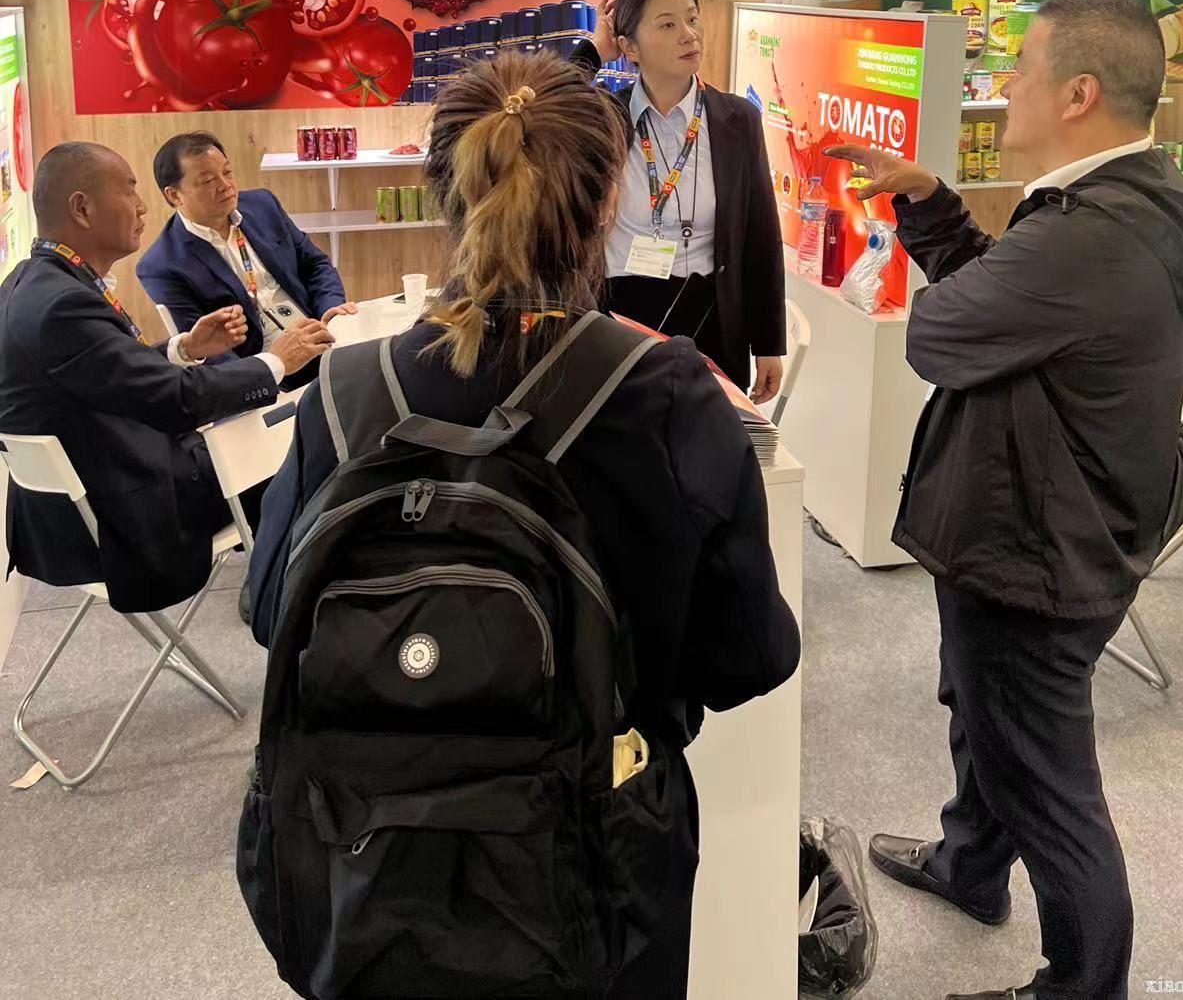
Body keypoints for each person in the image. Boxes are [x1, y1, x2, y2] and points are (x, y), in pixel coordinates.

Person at [248, 50, 800, 999]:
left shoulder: (341, 391)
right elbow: (750, 658)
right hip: (594, 859)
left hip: (368, 864)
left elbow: (271, 616)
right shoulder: (666, 394)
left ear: (443, 194)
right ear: (608, 201)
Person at [826, 0, 1183, 1000]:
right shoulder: (1111, 205)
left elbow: (939, 334)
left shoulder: (1090, 235)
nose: (1006, 89)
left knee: (1047, 786)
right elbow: (1000, 303)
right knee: (983, 711)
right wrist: (931, 203)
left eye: (1022, 71)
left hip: (1037, 551)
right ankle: (970, 864)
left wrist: (954, 281)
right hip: (1040, 527)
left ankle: (1081, 986)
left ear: (1078, 93)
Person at [0, 143, 333, 615]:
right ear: (82, 208)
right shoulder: (62, 306)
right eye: (129, 191)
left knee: (270, 429)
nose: (141, 207)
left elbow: (110, 373)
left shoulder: (31, 282)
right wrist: (275, 363)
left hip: (72, 510)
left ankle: (283, 572)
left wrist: (184, 349)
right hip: (124, 518)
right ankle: (282, 589)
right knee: (300, 440)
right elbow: (180, 401)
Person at [571, 0, 785, 402]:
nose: (689, 35)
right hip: (620, 315)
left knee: (706, 439)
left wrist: (768, 343)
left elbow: (761, 236)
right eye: (667, 25)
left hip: (710, 316)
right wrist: (594, 50)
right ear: (630, 47)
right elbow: (536, 103)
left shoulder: (738, 119)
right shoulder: (603, 119)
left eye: (692, 18)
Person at [137, 131, 356, 381]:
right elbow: (206, 351)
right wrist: (271, 369)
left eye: (227, 172)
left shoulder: (263, 205)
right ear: (174, 195)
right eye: (207, 181)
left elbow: (315, 265)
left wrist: (330, 310)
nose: (225, 185)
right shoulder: (161, 265)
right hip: (266, 370)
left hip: (319, 334)